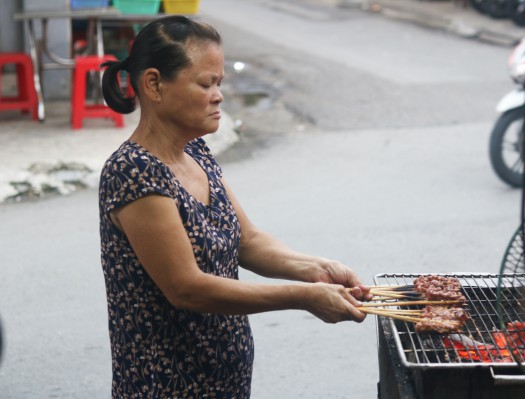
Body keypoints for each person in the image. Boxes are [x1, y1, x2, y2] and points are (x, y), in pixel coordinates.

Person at [98, 15, 370, 398]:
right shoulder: (134, 172)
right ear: (154, 84)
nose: (218, 95)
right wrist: (302, 296)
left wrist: (315, 269)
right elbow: (186, 288)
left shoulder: (195, 151)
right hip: (167, 387)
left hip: (223, 380)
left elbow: (247, 240)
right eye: (205, 83)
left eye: (219, 83)